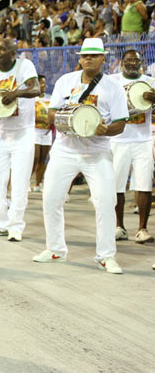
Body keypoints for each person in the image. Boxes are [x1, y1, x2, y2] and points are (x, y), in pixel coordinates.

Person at [33, 38, 128, 274]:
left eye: (94, 55)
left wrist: (105, 129)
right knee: (51, 199)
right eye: (85, 55)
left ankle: (106, 256)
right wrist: (68, 121)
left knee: (106, 201)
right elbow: (52, 112)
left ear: (103, 58)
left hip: (97, 152)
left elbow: (121, 123)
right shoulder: (66, 81)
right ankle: (55, 249)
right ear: (80, 58)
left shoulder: (113, 86)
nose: (88, 59)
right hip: (65, 149)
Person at [0, 39, 40, 242]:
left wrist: (16, 94)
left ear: (13, 54)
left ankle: (15, 226)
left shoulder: (24, 66)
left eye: (3, 49)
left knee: (20, 182)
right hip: (0, 132)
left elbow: (35, 89)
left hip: (23, 133)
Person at [109, 49, 155, 243]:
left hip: (143, 139)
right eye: (128, 61)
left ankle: (142, 229)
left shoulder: (150, 82)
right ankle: (119, 226)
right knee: (116, 185)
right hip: (118, 140)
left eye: (136, 61)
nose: (132, 64)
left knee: (144, 184)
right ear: (122, 63)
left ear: (140, 62)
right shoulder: (112, 81)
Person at [32, 75, 52, 192]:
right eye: (41, 83)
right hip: (34, 131)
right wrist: (42, 120)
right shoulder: (31, 99)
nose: (43, 85)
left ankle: (37, 184)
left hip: (47, 132)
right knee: (35, 157)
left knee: (43, 159)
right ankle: (26, 181)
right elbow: (28, 116)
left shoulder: (50, 98)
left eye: (44, 83)